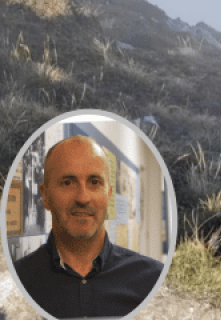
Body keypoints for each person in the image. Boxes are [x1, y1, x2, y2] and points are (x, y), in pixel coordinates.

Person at [13, 135, 163, 319]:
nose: (83, 198)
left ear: (108, 194)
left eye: (94, 182)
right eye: (68, 182)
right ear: (45, 196)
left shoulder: (154, 281)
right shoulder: (14, 283)